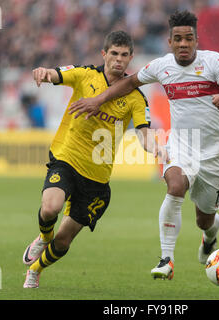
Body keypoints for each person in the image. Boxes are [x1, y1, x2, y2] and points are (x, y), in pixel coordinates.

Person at [68, 10, 219, 280]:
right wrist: (98, 99)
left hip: (213, 154)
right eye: (178, 39)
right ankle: (167, 259)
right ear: (170, 42)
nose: (183, 44)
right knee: (175, 186)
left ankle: (210, 237)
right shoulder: (162, 66)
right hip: (181, 146)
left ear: (196, 40)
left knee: (205, 219)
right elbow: (129, 83)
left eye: (189, 38)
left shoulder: (214, 62)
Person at [22, 30, 165, 288]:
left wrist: (154, 147)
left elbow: (144, 132)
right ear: (104, 54)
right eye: (114, 54)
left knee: (64, 240)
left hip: (97, 179)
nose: (118, 60)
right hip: (67, 158)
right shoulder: (86, 74)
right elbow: (57, 74)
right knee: (50, 208)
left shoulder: (135, 97)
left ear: (131, 57)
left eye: (124, 55)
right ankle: (43, 237)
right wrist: (44, 72)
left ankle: (35, 268)